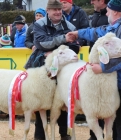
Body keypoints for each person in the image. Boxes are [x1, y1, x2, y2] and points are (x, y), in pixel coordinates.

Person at [67, 0, 121, 140]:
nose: (106, 12)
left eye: (108, 10)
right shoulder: (118, 25)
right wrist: (78, 33)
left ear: (115, 12)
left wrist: (103, 68)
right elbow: (99, 32)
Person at [25, 0, 80, 140]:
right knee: (40, 100)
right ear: (47, 10)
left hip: (62, 69)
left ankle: (65, 134)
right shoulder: (38, 24)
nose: (57, 12)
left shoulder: (70, 26)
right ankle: (40, 135)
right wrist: (63, 39)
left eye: (59, 9)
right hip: (40, 66)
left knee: (63, 100)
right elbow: (41, 43)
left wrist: (57, 51)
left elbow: (75, 46)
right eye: (54, 9)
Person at [87, 0, 109, 140]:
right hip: (94, 62)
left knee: (108, 100)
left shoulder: (111, 16)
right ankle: (94, 135)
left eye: (94, 0)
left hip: (108, 64)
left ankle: (113, 134)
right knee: (95, 99)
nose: (91, 2)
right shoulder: (94, 15)